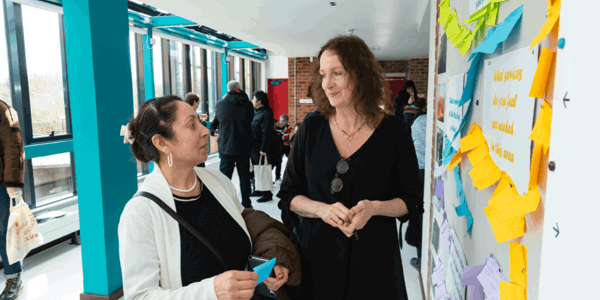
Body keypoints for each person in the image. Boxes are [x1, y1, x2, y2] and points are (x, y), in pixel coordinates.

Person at [277, 35, 422, 300]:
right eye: (323, 74)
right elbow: (289, 196)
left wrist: (376, 208)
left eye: (337, 73)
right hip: (317, 262)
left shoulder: (394, 132)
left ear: (361, 74)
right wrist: (322, 210)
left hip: (374, 264)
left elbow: (411, 200)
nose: (327, 84)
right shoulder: (312, 127)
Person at [118, 96, 298, 300]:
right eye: (192, 125)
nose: (205, 131)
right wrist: (211, 291)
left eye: (200, 122)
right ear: (162, 142)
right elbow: (140, 296)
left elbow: (251, 231)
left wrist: (267, 267)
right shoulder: (141, 213)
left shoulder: (217, 182)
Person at [210, 81, 254, 208]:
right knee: (244, 175)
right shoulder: (249, 104)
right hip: (244, 145)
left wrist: (214, 131)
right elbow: (250, 120)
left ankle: (225, 203)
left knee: (224, 176)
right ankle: (246, 203)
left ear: (228, 90)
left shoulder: (220, 104)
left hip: (226, 145)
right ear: (239, 88)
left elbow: (215, 122)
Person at [0, 100, 25, 300]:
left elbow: (14, 147)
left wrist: (12, 183)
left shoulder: (3, 110)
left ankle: (14, 279)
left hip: (1, 183)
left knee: (4, 232)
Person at [405, 100, 427, 270]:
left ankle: (420, 257)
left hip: (417, 170)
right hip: (428, 171)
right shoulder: (426, 121)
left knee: (420, 211)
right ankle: (421, 257)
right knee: (424, 212)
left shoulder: (415, 122)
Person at [250, 91, 274, 203]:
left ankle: (267, 194)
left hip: (261, 147)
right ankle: (258, 189)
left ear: (259, 101)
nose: (252, 101)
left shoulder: (267, 113)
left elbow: (266, 132)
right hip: (254, 146)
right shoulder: (257, 112)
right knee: (257, 168)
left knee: (263, 169)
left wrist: (264, 149)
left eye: (253, 99)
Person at [185, 92, 207, 168]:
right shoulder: (193, 113)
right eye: (198, 101)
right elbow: (199, 129)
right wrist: (203, 121)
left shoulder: (183, 112)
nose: (198, 104)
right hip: (195, 143)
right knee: (200, 167)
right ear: (194, 101)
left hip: (188, 144)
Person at [275, 115, 292, 181]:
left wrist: (280, 129)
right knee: (279, 161)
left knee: (291, 159)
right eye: (281, 120)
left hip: (286, 146)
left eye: (284, 121)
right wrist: (278, 128)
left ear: (287, 121)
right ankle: (277, 176)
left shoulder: (288, 127)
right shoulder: (277, 127)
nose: (282, 122)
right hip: (280, 146)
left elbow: (285, 133)